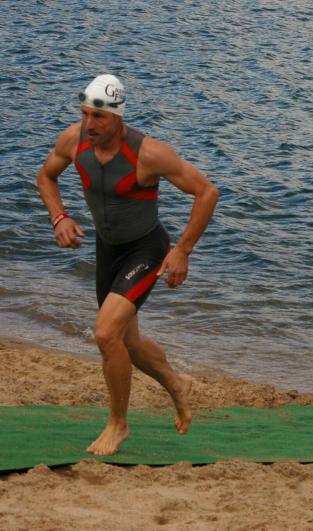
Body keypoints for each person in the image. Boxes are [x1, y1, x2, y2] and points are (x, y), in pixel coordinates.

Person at [36, 74, 218, 455]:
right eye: (85, 114)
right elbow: (46, 176)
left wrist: (182, 250)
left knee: (105, 334)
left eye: (99, 117)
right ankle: (177, 384)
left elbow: (206, 192)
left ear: (118, 118)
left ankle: (118, 424)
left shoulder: (148, 154)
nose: (89, 124)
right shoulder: (73, 141)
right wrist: (59, 217)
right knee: (128, 342)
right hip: (108, 250)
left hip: (146, 249)